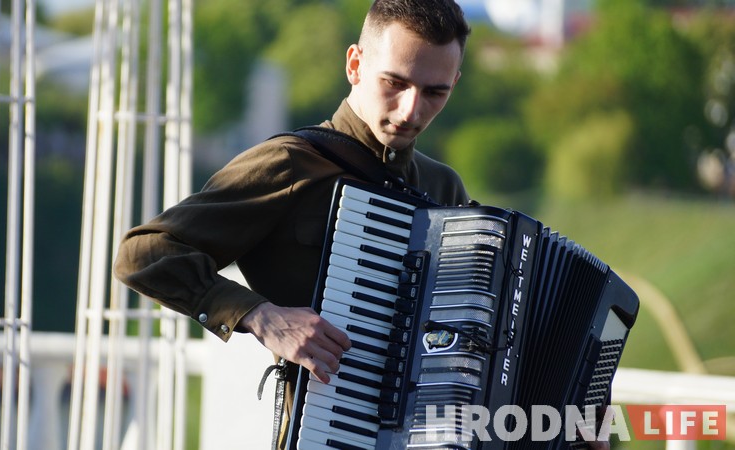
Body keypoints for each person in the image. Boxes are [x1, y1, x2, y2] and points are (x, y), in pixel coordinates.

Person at [114, 1, 610, 449]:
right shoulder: (289, 164)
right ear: (355, 64)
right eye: (394, 83)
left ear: (455, 84)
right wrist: (259, 316)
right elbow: (143, 253)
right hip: (326, 435)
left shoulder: (444, 188)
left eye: (435, 92)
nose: (412, 110)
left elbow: (489, 340)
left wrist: (565, 419)